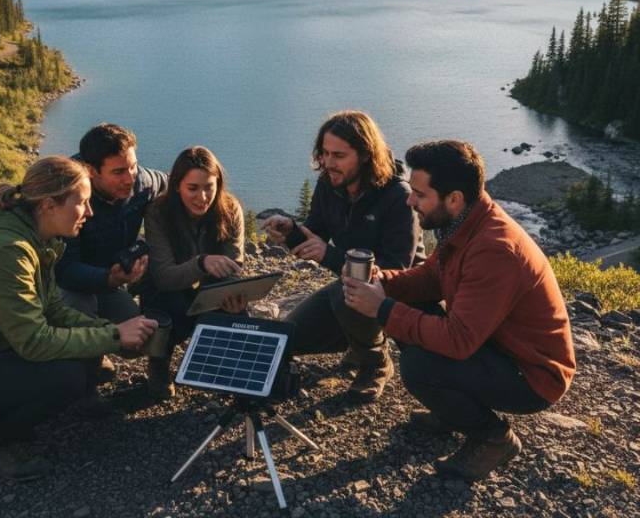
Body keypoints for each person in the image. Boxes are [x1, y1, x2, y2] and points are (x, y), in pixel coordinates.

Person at [0, 156, 158, 481]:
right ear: (50, 205)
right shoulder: (8, 251)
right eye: (82, 203)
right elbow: (34, 341)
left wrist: (110, 330)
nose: (89, 213)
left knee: (76, 358)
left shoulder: (37, 242)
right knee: (68, 378)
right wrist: (114, 337)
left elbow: (55, 312)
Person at [342, 140, 576, 481]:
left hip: (533, 376)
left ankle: (494, 438)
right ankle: (452, 411)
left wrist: (383, 308)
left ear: (453, 199)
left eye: (419, 195)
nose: (410, 201)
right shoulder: (467, 222)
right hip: (498, 345)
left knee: (419, 365)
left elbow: (459, 341)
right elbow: (430, 278)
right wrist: (385, 281)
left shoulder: (494, 249)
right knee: (409, 313)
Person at [262, 110, 422, 400]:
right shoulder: (330, 184)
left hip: (402, 291)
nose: (328, 163)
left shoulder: (398, 196)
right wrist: (292, 231)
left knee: (347, 293)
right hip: (351, 285)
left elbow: (395, 269)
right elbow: (317, 231)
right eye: (324, 153)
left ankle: (374, 362)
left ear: (364, 155)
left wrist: (330, 257)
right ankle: (358, 341)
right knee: (288, 337)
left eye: (338, 155)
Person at [143, 146, 246, 399]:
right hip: (169, 290)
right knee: (167, 305)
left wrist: (234, 294)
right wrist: (201, 264)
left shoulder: (230, 209)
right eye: (193, 188)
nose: (202, 197)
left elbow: (234, 265)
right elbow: (164, 276)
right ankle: (158, 363)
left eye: (209, 187)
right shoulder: (158, 213)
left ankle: (222, 366)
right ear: (177, 185)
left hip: (211, 290)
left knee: (239, 311)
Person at [55, 123, 167, 330]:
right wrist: (110, 278)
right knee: (80, 318)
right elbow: (65, 270)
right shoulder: (67, 197)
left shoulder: (142, 182)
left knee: (139, 337)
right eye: (118, 172)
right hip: (66, 285)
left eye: (133, 166)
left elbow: (172, 183)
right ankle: (85, 358)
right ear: (90, 170)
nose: (129, 179)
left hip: (109, 279)